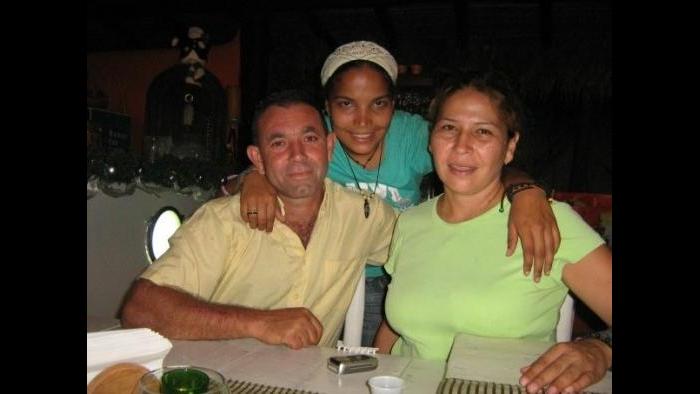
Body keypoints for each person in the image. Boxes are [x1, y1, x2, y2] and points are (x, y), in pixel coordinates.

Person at [225, 41, 561, 347]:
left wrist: (525, 190)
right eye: (346, 105)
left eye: (378, 105)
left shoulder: (411, 136)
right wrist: (253, 178)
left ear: (393, 104)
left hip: (393, 279)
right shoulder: (316, 141)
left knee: (371, 367)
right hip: (324, 273)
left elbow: (481, 157)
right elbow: (270, 162)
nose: (362, 122)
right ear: (326, 107)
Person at [373, 70, 612, 394]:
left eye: (483, 132)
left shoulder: (548, 221)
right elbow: (394, 328)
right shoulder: (410, 222)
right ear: (431, 139)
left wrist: (599, 350)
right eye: (448, 128)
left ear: (510, 147)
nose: (462, 146)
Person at [120, 89, 397, 349]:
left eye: (309, 138)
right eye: (279, 143)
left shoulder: (363, 215)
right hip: (223, 379)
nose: (297, 155)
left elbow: (421, 252)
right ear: (258, 159)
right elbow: (139, 310)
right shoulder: (223, 221)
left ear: (329, 147)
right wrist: (259, 323)